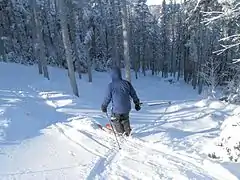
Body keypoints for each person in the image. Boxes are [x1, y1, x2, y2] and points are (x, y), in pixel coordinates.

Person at [101, 67, 141, 136]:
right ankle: (127, 131)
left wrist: (104, 106)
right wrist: (137, 103)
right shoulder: (127, 83)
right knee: (125, 119)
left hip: (116, 109)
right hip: (126, 108)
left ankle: (120, 133)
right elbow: (133, 94)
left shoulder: (111, 86)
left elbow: (107, 98)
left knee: (116, 119)